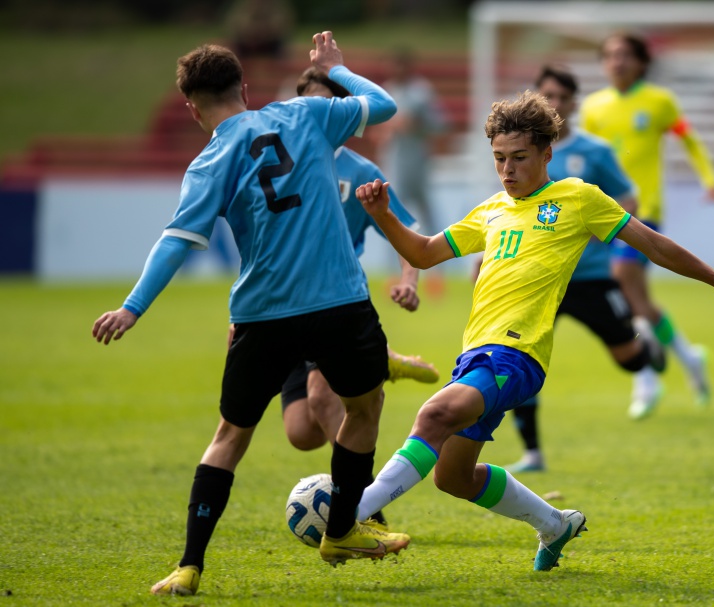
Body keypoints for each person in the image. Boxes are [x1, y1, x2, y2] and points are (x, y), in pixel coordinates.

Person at [351, 91, 714, 572]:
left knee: (434, 415)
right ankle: (555, 524)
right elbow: (425, 253)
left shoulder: (577, 198)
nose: (508, 171)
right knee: (453, 477)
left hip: (517, 355)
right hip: (475, 355)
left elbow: (656, 246)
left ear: (547, 153)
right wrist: (382, 215)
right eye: (499, 159)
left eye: (519, 158)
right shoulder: (491, 210)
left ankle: (350, 516)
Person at [91, 33, 410, 596]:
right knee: (364, 408)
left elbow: (175, 242)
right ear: (244, 87)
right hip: (337, 302)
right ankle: (340, 532)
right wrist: (337, 67)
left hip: (261, 315)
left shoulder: (210, 159)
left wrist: (131, 308)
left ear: (192, 108)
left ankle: (189, 565)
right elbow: (383, 106)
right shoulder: (304, 113)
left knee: (230, 435)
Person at [276, 68, 441, 530]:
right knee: (302, 433)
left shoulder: (360, 172)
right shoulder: (275, 164)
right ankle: (381, 362)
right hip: (278, 304)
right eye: (312, 106)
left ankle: (365, 513)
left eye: (332, 109)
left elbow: (407, 231)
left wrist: (409, 280)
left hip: (333, 303)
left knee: (325, 400)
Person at [494, 65, 666, 473]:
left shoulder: (594, 152)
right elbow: (509, 216)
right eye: (545, 94)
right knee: (518, 360)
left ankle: (645, 351)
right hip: (537, 281)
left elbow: (628, 199)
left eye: (561, 97)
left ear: (572, 104)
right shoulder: (519, 156)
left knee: (625, 354)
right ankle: (533, 452)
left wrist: (593, 231)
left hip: (589, 276)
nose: (553, 102)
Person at [579, 31, 714, 419]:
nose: (616, 62)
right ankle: (689, 357)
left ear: (641, 62)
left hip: (642, 210)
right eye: (610, 55)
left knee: (621, 276)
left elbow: (691, 140)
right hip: (603, 214)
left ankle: (646, 377)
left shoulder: (659, 102)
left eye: (625, 55)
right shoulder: (593, 108)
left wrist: (711, 181)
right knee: (638, 300)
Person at [379, 47, 449, 237]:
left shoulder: (421, 91)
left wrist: (417, 124)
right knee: (393, 211)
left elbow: (439, 123)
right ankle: (397, 261)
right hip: (395, 160)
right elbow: (380, 126)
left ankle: (437, 257)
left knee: (426, 209)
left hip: (418, 160)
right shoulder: (387, 90)